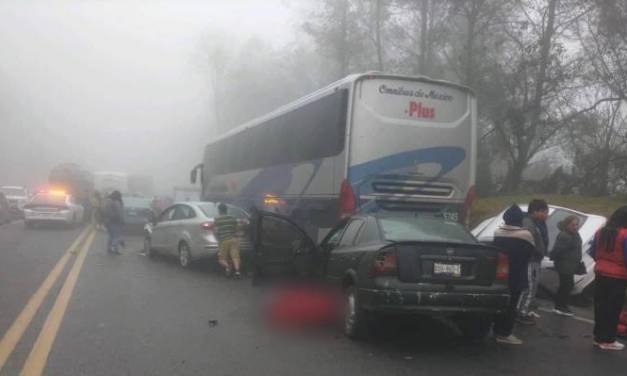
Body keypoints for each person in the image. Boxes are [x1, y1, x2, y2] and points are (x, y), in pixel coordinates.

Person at [493, 204, 535, 345]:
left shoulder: (498, 232)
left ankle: (496, 329)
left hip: (500, 274)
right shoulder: (525, 235)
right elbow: (531, 253)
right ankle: (504, 333)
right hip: (517, 274)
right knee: (512, 305)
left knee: (500, 304)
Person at [591, 206, 627, 351]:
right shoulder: (625, 235)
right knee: (613, 309)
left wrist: (602, 262)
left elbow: (592, 251)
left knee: (600, 306)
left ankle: (598, 337)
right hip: (618, 276)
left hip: (600, 272)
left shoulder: (600, 232)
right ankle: (608, 340)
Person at [518, 199, 549, 325]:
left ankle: (524, 309)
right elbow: (529, 241)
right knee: (529, 287)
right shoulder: (529, 223)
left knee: (532, 286)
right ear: (535, 211)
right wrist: (536, 252)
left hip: (536, 259)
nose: (546, 215)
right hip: (531, 259)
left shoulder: (540, 223)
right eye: (544, 212)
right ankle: (521, 313)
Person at [550, 215, 582, 317]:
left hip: (570, 264)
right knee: (567, 285)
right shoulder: (565, 236)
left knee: (567, 285)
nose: (575, 227)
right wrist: (555, 259)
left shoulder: (574, 234)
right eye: (573, 225)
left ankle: (561, 305)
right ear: (567, 225)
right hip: (564, 265)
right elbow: (557, 250)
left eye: (577, 224)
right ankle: (559, 306)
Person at [215, 203, 241, 278]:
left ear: (219, 210)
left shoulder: (217, 219)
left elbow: (216, 231)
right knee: (235, 256)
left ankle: (227, 267)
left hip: (224, 241)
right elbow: (237, 229)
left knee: (221, 259)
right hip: (234, 240)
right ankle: (237, 271)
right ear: (226, 210)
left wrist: (218, 238)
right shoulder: (232, 218)